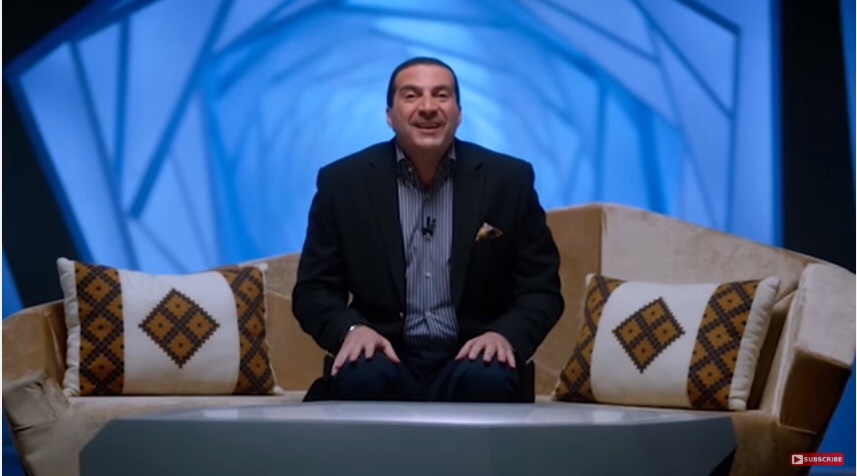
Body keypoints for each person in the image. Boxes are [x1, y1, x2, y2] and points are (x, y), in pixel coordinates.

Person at [292, 57, 563, 402]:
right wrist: (351, 330)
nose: (428, 107)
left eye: (441, 95)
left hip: (473, 356)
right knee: (362, 377)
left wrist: (504, 336)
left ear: (458, 113)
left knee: (489, 379)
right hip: (383, 354)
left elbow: (541, 289)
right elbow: (314, 290)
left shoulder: (509, 181)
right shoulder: (342, 183)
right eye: (411, 95)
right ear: (389, 115)